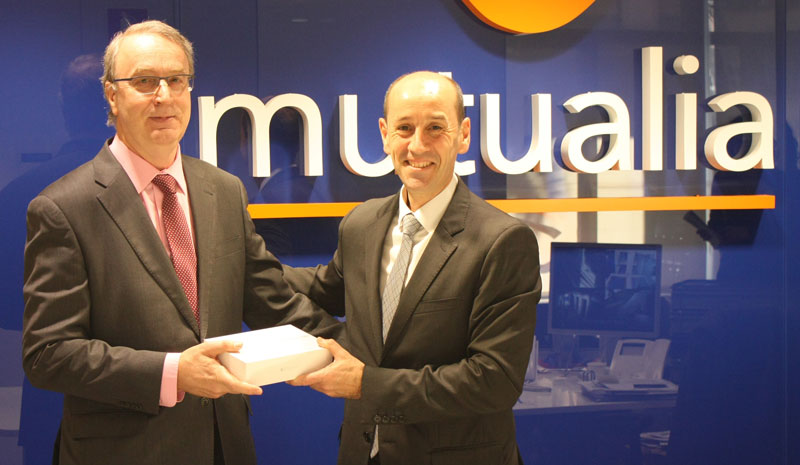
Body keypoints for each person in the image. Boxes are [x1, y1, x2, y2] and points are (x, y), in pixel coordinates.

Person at [22, 20, 341, 465]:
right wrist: (173, 373)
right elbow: (48, 354)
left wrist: (356, 351)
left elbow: (272, 301)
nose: (164, 96)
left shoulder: (223, 190)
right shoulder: (64, 208)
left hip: (224, 444)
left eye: (176, 80)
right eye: (144, 81)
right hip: (123, 452)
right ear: (112, 95)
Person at [286, 71, 542, 465]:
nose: (417, 145)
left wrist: (367, 384)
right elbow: (325, 289)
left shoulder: (503, 241)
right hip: (362, 451)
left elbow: (495, 380)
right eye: (404, 128)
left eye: (435, 128)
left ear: (464, 134)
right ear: (385, 134)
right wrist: (243, 265)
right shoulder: (361, 224)